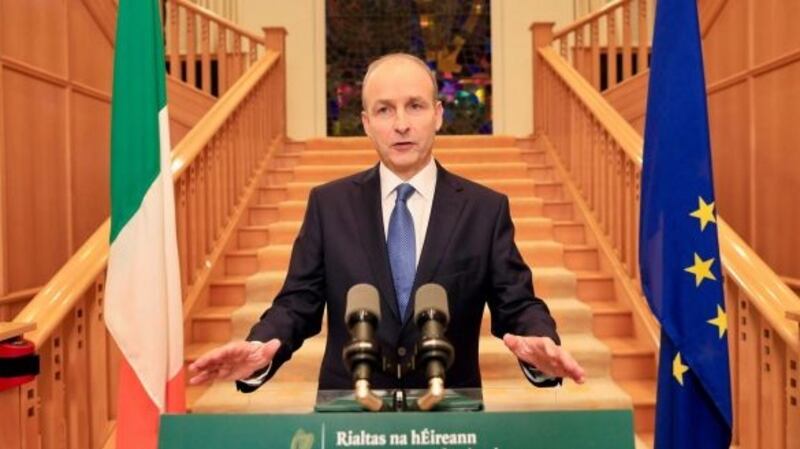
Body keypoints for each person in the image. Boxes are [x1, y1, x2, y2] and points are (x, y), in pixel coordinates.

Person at [189, 53, 586, 392]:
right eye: (384, 109)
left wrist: (540, 345)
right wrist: (260, 348)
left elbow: (517, 303)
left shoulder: (485, 209)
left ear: (438, 115)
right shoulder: (329, 205)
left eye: (415, 106)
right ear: (366, 122)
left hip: (449, 419)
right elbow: (297, 304)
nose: (401, 124)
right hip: (349, 418)